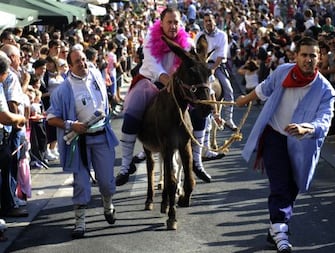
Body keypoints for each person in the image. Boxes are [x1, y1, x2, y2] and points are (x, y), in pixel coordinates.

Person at [235, 37, 335, 252]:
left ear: (319, 59)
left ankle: (275, 227)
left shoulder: (326, 90)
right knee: (279, 183)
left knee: (292, 186)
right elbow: (264, 88)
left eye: (312, 56)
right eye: (304, 55)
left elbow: (324, 121)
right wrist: (244, 100)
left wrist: (305, 129)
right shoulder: (282, 71)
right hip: (274, 136)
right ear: (296, 56)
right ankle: (281, 231)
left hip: (301, 144)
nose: (308, 59)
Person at [115, 7, 194, 186]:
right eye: (169, 22)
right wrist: (166, 80)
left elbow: (192, 62)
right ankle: (126, 165)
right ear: (161, 22)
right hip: (151, 80)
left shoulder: (187, 41)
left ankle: (196, 158)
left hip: (177, 84)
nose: (173, 26)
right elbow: (152, 63)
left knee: (200, 108)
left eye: (176, 22)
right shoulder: (151, 38)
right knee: (131, 113)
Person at [46, 48, 119, 239]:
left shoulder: (95, 74)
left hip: (102, 137)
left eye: (84, 59)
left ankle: (108, 205)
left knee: (106, 182)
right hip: (79, 143)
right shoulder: (63, 90)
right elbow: (51, 118)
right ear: (69, 66)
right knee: (81, 185)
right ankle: (80, 223)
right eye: (77, 61)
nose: (83, 64)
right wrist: (72, 125)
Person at [198, 12, 238, 131]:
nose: (208, 23)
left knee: (228, 89)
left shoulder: (222, 35)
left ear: (215, 21)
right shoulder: (200, 35)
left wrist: (213, 69)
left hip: (218, 66)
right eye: (206, 21)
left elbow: (221, 55)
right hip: (203, 66)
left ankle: (229, 119)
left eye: (210, 20)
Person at [0, 54, 28, 218]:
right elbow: (6, 116)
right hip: (5, 133)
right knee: (7, 171)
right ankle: (8, 206)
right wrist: (20, 119)